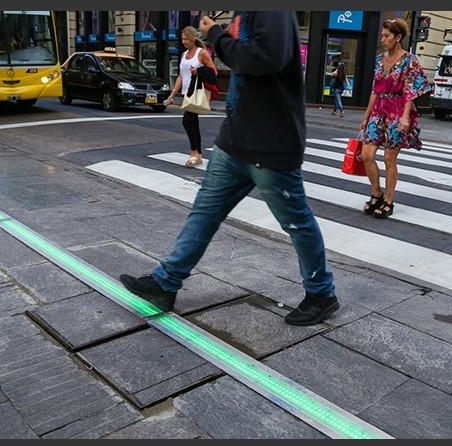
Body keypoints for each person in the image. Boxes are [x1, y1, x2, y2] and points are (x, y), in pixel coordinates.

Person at [120, 11, 340, 327]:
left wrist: (217, 35)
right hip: (235, 139)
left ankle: (321, 293)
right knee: (204, 212)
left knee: (296, 222)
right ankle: (165, 283)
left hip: (270, 142)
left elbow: (267, 58)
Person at [359, 18, 432, 219]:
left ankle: (389, 201)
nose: (383, 39)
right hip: (378, 110)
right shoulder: (378, 60)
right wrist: (366, 117)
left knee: (389, 159)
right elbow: (375, 90)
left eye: (387, 36)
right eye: (382, 35)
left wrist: (405, 117)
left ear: (398, 37)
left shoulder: (410, 60)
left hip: (397, 111)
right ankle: (376, 193)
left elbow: (410, 90)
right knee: (366, 155)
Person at [164, 26, 218, 167]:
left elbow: (214, 73)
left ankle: (194, 153)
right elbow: (181, 76)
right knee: (193, 123)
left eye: (186, 39)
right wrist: (173, 93)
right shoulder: (183, 55)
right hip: (187, 93)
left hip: (197, 92)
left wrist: (198, 72)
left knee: (187, 121)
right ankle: (197, 154)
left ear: (193, 38)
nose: (183, 41)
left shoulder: (202, 53)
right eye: (182, 39)